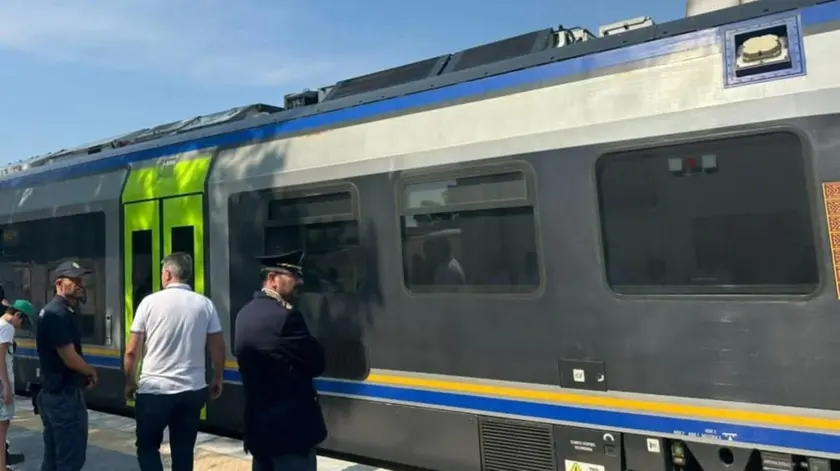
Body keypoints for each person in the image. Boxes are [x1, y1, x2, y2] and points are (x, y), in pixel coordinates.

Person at [123, 252, 226, 471]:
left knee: (148, 447)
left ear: (167, 274)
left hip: (154, 391)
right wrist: (218, 377)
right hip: (192, 390)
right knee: (183, 449)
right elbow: (217, 346)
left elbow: (132, 351)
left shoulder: (148, 303)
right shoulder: (205, 305)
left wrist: (131, 381)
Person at [234, 250, 327, 471]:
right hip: (291, 434)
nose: (299, 281)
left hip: (259, 430)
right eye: (293, 275)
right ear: (273, 280)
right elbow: (317, 363)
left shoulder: (244, 315)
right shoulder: (286, 318)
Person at [35, 260, 98, 471]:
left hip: (55, 395)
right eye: (75, 279)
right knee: (70, 459)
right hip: (63, 397)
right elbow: (68, 356)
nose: (81, 284)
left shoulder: (55, 311)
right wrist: (90, 371)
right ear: (59, 283)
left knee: (53, 459)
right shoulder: (58, 314)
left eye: (81, 279)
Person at [0, 300, 34, 470]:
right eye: (23, 321)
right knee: (2, 426)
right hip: (1, 383)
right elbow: (0, 358)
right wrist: (6, 386)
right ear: (17, 315)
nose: (21, 325)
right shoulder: (7, 328)